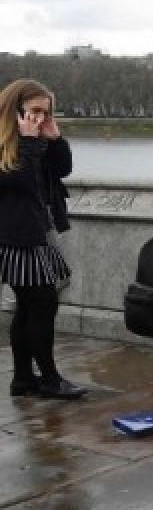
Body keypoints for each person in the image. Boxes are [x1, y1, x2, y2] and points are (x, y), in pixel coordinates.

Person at [0, 79, 84, 400]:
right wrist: (31, 142)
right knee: (42, 304)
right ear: (16, 110)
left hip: (36, 232)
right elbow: (18, 182)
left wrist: (55, 138)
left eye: (45, 112)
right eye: (34, 111)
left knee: (28, 306)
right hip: (16, 237)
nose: (39, 118)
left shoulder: (34, 138)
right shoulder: (9, 142)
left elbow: (62, 169)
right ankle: (48, 378)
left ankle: (23, 378)